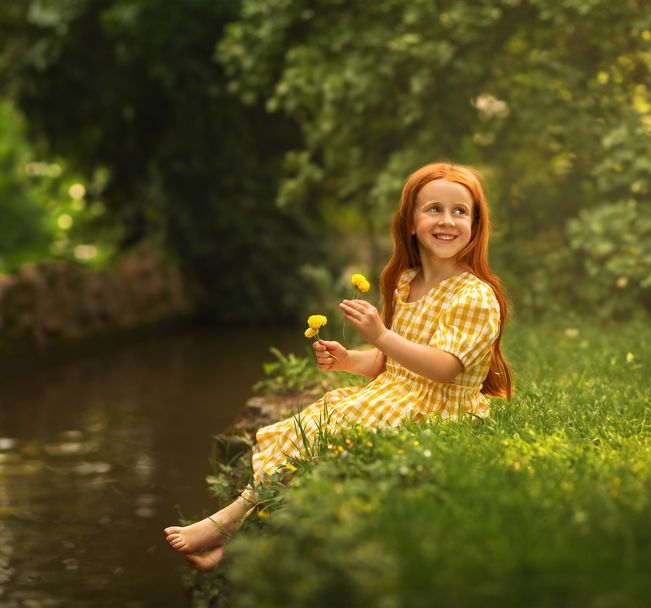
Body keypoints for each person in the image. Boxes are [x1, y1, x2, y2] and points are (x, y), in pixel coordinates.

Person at [164, 161, 513, 571]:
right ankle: (234, 544)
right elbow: (393, 366)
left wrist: (381, 335)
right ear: (410, 221)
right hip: (396, 396)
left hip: (439, 411)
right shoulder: (406, 282)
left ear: (476, 223)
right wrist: (350, 360)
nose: (447, 221)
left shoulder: (473, 296)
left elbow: (442, 368)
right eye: (433, 209)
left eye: (460, 211)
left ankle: (225, 522)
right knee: (309, 428)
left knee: (323, 441)